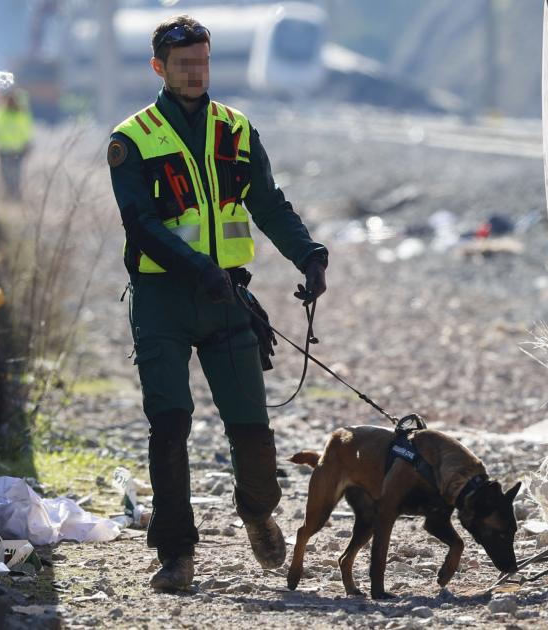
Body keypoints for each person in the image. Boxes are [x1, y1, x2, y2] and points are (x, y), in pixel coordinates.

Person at [107, 15, 328, 591]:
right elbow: (140, 224)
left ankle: (257, 510)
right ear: (159, 67)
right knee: (170, 424)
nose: (196, 73)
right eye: (184, 66)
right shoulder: (131, 139)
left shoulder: (236, 130)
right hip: (162, 298)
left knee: (252, 428)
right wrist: (198, 268)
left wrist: (309, 255)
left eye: (202, 63)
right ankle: (176, 553)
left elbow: (269, 205)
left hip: (228, 296)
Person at [0, 85, 33, 201]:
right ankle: (9, 194)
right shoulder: (1, 114)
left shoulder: (18, 114)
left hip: (15, 149)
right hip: (6, 149)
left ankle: (13, 194)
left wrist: (28, 143)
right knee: (7, 174)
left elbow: (27, 130)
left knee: (14, 174)